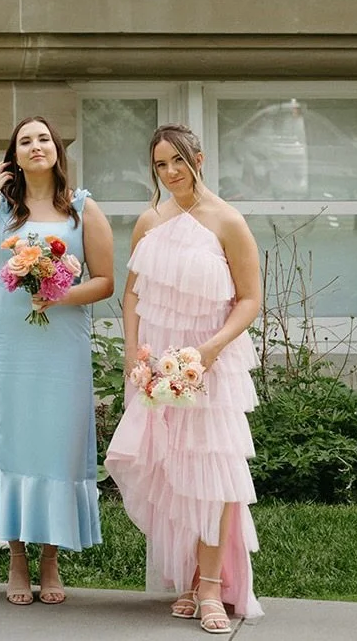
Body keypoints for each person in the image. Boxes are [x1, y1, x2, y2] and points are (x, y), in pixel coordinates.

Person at [105, 124, 263, 633]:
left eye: (178, 161)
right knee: (171, 471)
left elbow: (249, 299)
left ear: (200, 158)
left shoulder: (228, 222)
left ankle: (213, 588)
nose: (170, 172)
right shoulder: (150, 219)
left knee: (212, 474)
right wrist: (133, 352)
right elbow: (131, 295)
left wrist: (212, 350)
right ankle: (190, 577)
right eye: (160, 164)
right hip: (156, 363)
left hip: (209, 362)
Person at [0, 116, 114, 605]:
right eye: (25, 141)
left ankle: (51, 559)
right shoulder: (3, 206)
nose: (35, 146)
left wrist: (59, 294)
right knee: (12, 438)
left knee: (54, 441)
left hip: (60, 342)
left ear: (56, 149)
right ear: (14, 156)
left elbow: (106, 280)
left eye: (43, 138)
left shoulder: (83, 208)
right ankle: (17, 557)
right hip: (8, 340)